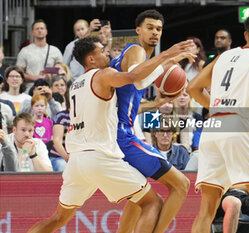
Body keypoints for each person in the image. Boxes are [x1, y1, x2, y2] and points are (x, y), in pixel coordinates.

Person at [28, 35, 194, 232]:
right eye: (101, 50)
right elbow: (135, 78)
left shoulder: (75, 85)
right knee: (152, 203)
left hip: (76, 161)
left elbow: (114, 107)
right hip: (99, 156)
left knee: (58, 219)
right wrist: (168, 54)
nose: (107, 52)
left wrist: (155, 103)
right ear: (91, 59)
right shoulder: (104, 75)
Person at [187, 13, 249, 233]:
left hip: (213, 127)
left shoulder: (223, 57)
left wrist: (218, 109)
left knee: (207, 209)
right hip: (240, 126)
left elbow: (192, 88)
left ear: (246, 34)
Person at [109, 9, 193, 233]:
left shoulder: (139, 58)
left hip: (115, 132)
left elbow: (128, 103)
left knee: (139, 197)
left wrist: (156, 104)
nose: (155, 32)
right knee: (181, 185)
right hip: (123, 137)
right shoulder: (136, 51)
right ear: (138, 30)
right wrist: (168, 55)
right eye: (150, 28)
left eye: (159, 29)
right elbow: (138, 75)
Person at [16, 19, 63, 91]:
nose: (40, 30)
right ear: (32, 32)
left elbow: (62, 71)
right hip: (30, 89)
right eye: (37, 29)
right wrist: (35, 77)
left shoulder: (55, 51)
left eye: (42, 28)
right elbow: (18, 73)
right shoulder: (25, 51)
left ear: (46, 31)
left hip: (50, 89)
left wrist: (48, 72)